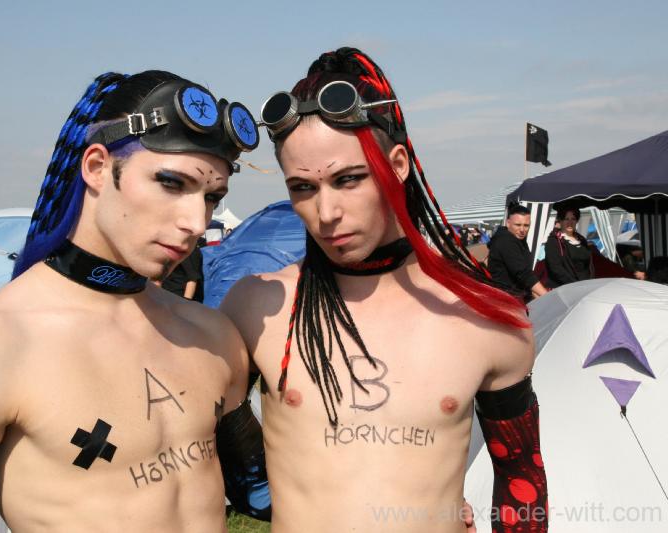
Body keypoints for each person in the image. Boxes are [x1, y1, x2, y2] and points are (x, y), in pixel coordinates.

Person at [0, 71, 270, 532]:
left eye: (212, 197)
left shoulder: (211, 335)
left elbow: (262, 492)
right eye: (171, 183)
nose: (196, 220)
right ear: (96, 167)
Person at [222, 47, 547, 532]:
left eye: (349, 179)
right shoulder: (258, 305)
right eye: (303, 188)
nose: (326, 213)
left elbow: (521, 478)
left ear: (397, 164)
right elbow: (213, 445)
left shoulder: (486, 315)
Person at [487, 203, 549, 301]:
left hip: (518, 296)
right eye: (518, 225)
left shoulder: (518, 239)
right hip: (505, 299)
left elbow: (526, 277)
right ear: (508, 223)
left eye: (526, 225)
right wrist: (548, 297)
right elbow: (524, 274)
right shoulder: (506, 241)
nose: (522, 230)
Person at [544, 206, 593, 287]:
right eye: (566, 219)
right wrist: (575, 285)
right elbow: (556, 269)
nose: (570, 223)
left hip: (586, 286)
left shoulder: (582, 239)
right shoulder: (553, 241)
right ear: (560, 220)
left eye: (573, 219)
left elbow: (589, 265)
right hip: (566, 288)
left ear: (577, 220)